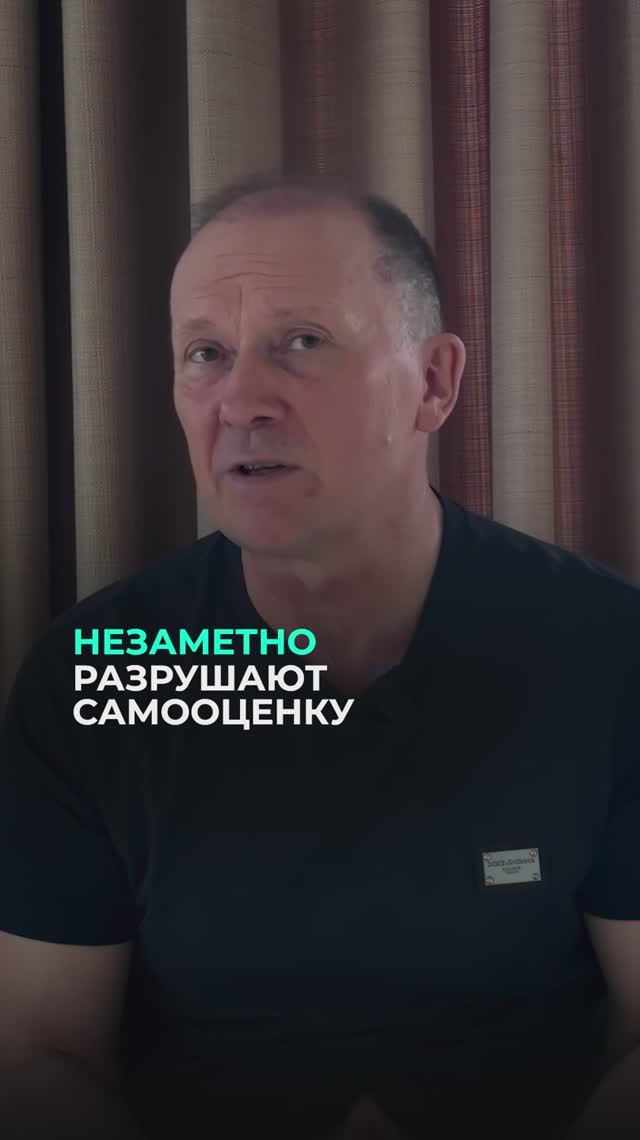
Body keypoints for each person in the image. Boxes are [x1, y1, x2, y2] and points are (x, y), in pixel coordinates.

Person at [0, 172, 639, 1140]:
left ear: (434, 382)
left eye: (302, 342)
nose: (240, 400)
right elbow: (41, 1049)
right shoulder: (101, 673)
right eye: (205, 355)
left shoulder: (605, 653)